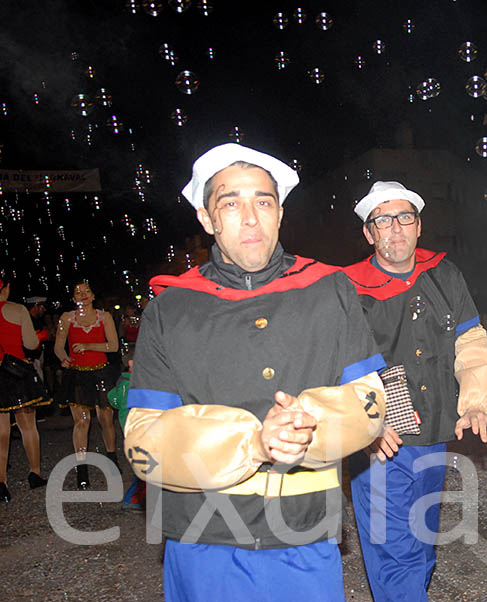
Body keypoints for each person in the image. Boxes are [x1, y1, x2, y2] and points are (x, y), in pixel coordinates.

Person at [123, 143, 387, 602]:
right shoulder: (169, 309)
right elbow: (143, 437)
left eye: (263, 201)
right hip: (202, 537)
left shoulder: (329, 289)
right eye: (230, 202)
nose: (250, 217)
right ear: (207, 219)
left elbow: (370, 398)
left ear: (280, 213)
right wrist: (252, 443)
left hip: (304, 533)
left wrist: (312, 424)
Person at [342, 180, 487, 602]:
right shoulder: (347, 288)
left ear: (418, 226)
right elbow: (336, 366)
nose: (395, 228)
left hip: (434, 433)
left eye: (404, 218)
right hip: (380, 441)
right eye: (383, 220)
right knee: (394, 555)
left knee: (421, 544)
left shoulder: (444, 274)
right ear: (368, 232)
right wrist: (365, 424)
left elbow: (470, 341)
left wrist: (474, 402)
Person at [54, 280, 120, 489]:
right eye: (77, 292)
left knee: (105, 419)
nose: (82, 294)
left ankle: (112, 459)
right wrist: (64, 357)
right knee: (82, 422)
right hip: (78, 376)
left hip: (101, 373)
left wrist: (88, 346)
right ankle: (81, 469)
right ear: (73, 298)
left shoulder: (104, 317)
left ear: (92, 296)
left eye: (86, 291)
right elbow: (58, 346)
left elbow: (113, 346)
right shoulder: (66, 318)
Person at [0, 274, 49, 502]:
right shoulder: (17, 310)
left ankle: (1, 482)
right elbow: (31, 344)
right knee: (28, 427)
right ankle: (35, 473)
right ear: (6, 288)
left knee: (1, 431)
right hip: (16, 373)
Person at [107, 348, 145, 510]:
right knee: (144, 466)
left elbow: (112, 399)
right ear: (131, 363)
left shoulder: (124, 382)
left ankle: (138, 497)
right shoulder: (130, 384)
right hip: (135, 428)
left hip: (133, 428)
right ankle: (132, 499)